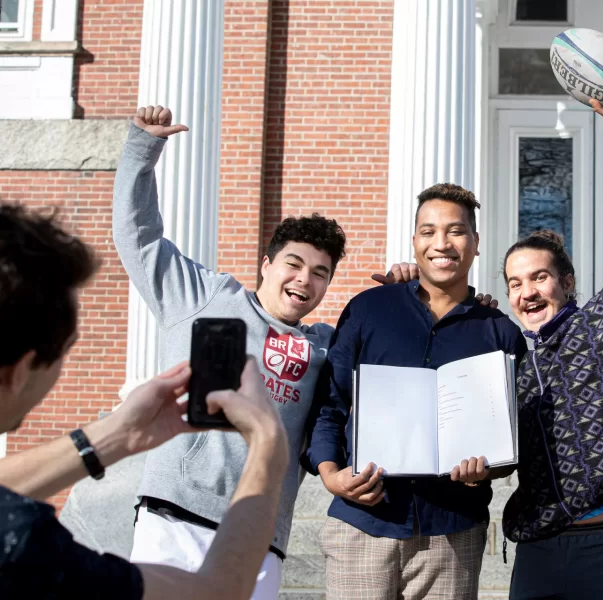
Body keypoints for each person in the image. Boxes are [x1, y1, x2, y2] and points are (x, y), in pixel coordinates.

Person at [112, 105, 410, 598]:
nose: (305, 280)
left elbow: (380, 379)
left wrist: (404, 299)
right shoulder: (204, 297)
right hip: (175, 515)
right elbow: (138, 238)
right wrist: (142, 149)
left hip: (259, 530)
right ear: (267, 263)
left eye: (320, 273)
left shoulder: (324, 346)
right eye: (293, 264)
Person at [0, 203, 289, 599]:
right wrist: (268, 444)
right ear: (21, 371)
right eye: (67, 351)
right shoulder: (20, 543)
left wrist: (118, 434)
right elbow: (217, 591)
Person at [303, 183, 528, 599]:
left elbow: (512, 439)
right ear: (413, 241)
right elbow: (329, 404)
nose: (441, 243)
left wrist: (485, 474)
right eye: (428, 231)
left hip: (453, 533)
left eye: (455, 231)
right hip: (363, 523)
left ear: (476, 243)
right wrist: (331, 475)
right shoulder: (370, 309)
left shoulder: (500, 333)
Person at [500, 96, 603, 600]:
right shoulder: (508, 359)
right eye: (514, 283)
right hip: (538, 549)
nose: (526, 292)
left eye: (539, 277)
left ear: (567, 282)